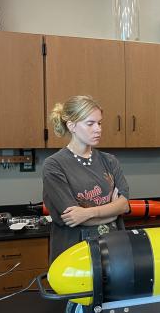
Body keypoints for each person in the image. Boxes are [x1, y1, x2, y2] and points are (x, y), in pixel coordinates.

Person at [43, 96, 130, 263]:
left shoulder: (110, 161)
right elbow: (73, 218)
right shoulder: (54, 165)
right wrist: (112, 211)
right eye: (90, 124)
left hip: (114, 249)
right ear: (72, 125)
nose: (98, 129)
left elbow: (124, 205)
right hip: (74, 253)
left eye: (99, 123)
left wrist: (88, 212)